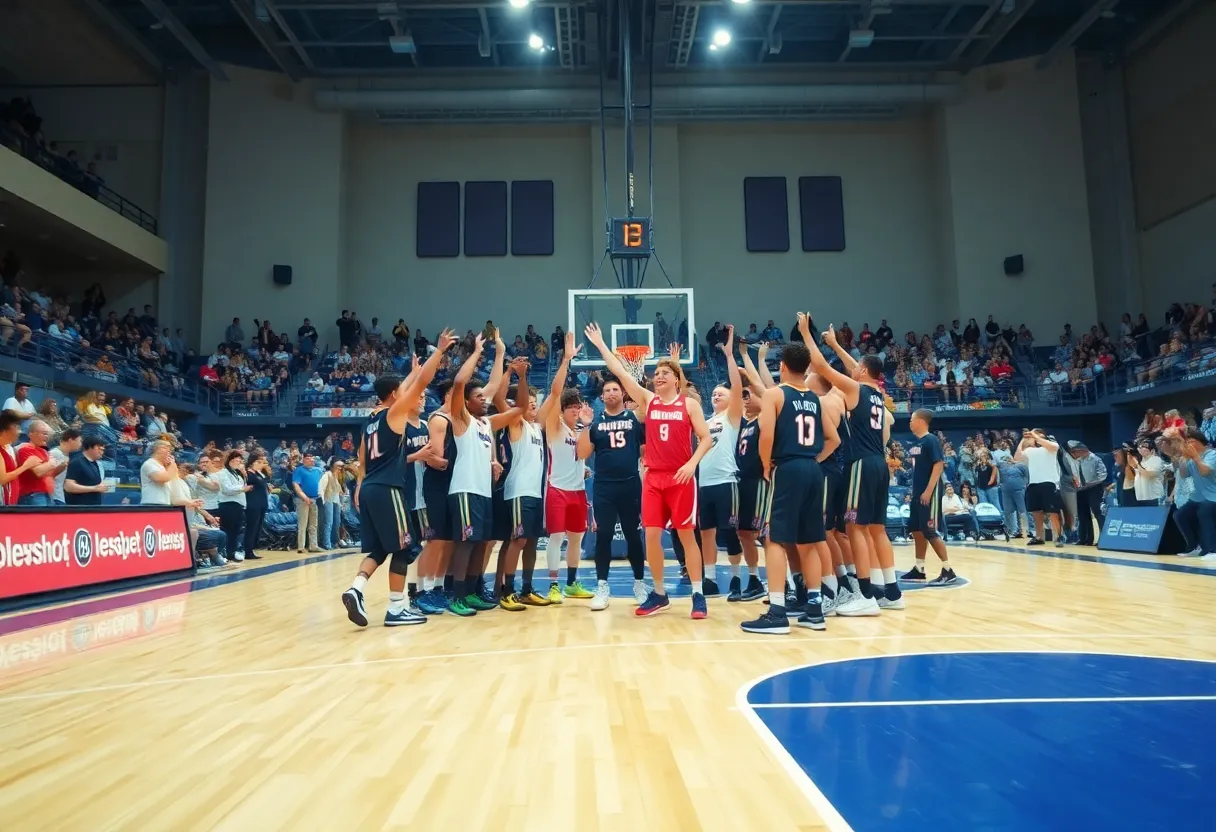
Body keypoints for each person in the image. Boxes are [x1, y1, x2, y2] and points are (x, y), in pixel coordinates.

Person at [585, 322, 713, 618]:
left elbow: (706, 438)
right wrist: (602, 345)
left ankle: (698, 593)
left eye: (664, 373)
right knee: (651, 536)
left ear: (676, 380)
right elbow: (618, 371)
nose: (658, 377)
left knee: (686, 536)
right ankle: (659, 593)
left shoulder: (689, 406)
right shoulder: (648, 400)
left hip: (681, 477)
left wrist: (692, 464)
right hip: (654, 478)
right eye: (656, 374)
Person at [341, 331, 453, 627]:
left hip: (369, 489)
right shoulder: (395, 413)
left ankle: (356, 588)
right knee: (405, 547)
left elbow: (363, 461)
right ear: (395, 395)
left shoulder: (369, 423)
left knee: (380, 548)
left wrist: (360, 487)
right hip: (389, 489)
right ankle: (396, 607)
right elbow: (422, 384)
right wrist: (438, 352)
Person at [740, 327, 839, 635]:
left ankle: (778, 611)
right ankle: (814, 609)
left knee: (774, 538)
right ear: (806, 367)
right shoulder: (815, 399)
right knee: (809, 540)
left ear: (782, 365)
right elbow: (832, 439)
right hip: (812, 469)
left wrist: (767, 465)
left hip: (787, 467)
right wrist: (814, 461)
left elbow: (766, 434)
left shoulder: (774, 394)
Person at [813, 323, 899, 615]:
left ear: (862, 371)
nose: (853, 369)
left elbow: (822, 367)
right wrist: (838, 345)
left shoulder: (855, 389)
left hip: (860, 463)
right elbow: (856, 369)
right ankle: (892, 591)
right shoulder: (877, 393)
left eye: (856, 367)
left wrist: (805, 334)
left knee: (855, 528)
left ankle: (865, 595)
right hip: (879, 463)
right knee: (877, 529)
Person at [443, 334, 521, 616]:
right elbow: (461, 383)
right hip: (464, 490)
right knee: (465, 544)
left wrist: (501, 355)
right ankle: (457, 596)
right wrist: (477, 351)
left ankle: (473, 591)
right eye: (479, 398)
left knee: (479, 543)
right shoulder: (461, 419)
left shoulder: (487, 423)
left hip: (483, 491)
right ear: (466, 403)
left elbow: (513, 406)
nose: (484, 400)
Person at [580, 374, 649, 609]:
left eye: (615, 390)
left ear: (622, 394)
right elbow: (581, 453)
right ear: (602, 396)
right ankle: (602, 586)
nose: (611, 393)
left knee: (633, 536)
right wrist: (586, 425)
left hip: (630, 485)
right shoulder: (596, 422)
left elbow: (644, 448)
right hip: (604, 487)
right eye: (607, 390)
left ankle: (639, 583)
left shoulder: (633, 418)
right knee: (604, 536)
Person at [491, 357, 551, 609]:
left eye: (537, 404)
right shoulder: (516, 422)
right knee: (518, 540)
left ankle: (527, 588)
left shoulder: (538, 428)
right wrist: (520, 376)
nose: (534, 407)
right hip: (518, 491)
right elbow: (497, 399)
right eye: (531, 403)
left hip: (536, 494)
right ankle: (507, 591)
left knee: (532, 541)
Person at [541, 331, 594, 603]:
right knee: (556, 538)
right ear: (562, 411)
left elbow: (583, 455)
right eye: (570, 408)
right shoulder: (554, 426)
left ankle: (572, 583)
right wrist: (566, 361)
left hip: (578, 490)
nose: (575, 411)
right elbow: (555, 391)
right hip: (557, 489)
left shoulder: (581, 430)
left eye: (578, 407)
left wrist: (582, 469)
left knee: (576, 539)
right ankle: (552, 585)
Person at [697, 326, 745, 601]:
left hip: (727, 480)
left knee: (730, 531)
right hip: (705, 483)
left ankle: (737, 578)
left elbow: (736, 386)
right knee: (706, 533)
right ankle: (710, 580)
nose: (716, 396)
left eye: (720, 394)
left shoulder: (732, 417)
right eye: (714, 394)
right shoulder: (706, 422)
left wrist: (729, 355)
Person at [729, 346, 773, 602]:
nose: (745, 398)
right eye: (742, 395)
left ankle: (780, 581)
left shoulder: (767, 417)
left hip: (760, 481)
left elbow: (766, 389)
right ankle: (755, 579)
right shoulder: (744, 422)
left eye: (749, 394)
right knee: (743, 533)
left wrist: (752, 360)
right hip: (742, 481)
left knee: (764, 533)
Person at [900, 409, 958, 584]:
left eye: (912, 420)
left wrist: (928, 490)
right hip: (917, 493)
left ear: (921, 421)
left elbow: (939, 465)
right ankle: (919, 568)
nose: (909, 423)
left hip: (929, 493)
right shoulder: (917, 442)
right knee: (916, 530)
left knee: (929, 530)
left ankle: (948, 570)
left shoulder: (931, 440)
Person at [1170, 427, 1216, 559]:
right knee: (1180, 515)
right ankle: (1195, 546)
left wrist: (1195, 457)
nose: (1188, 445)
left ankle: (1212, 550)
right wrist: (1184, 458)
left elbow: (1204, 472)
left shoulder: (1212, 454)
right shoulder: (1190, 459)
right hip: (1198, 497)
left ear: (1199, 442)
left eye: (1190, 441)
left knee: (1204, 511)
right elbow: (1184, 475)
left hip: (1213, 497)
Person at [1015, 429, 1064, 546]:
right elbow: (1017, 457)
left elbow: (1051, 446)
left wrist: (1035, 436)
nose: (1035, 438)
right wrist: (1023, 439)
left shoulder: (1052, 447)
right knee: (1036, 513)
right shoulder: (1030, 451)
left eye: (1039, 436)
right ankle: (1039, 537)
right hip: (1034, 484)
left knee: (1053, 512)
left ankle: (1058, 537)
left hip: (1049, 483)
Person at [16, 420, 67, 507]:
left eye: (47, 434)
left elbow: (49, 474)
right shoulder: (25, 450)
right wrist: (51, 463)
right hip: (33, 495)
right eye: (44, 433)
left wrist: (60, 468)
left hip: (47, 494)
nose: (46, 437)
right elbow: (38, 472)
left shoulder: (44, 451)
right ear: (31, 434)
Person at [1068, 441, 1107, 546]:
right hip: (1081, 490)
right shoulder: (1078, 461)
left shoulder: (1096, 459)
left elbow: (1103, 475)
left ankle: (1103, 538)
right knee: (1082, 514)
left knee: (1097, 512)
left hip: (1094, 489)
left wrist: (1090, 484)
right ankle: (1085, 538)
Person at [217, 451, 253, 561]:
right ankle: (225, 553)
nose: (240, 463)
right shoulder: (223, 473)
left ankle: (232, 553)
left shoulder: (237, 474)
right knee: (228, 531)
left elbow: (242, 486)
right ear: (231, 460)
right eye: (238, 460)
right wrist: (242, 489)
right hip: (228, 505)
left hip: (238, 505)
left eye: (241, 461)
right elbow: (227, 489)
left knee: (236, 531)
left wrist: (244, 475)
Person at [0, 410, 38, 505]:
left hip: (12, 499)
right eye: (16, 427)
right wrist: (26, 466)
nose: (19, 431)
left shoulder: (9, 448)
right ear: (5, 431)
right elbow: (3, 479)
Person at [64, 436, 109, 506]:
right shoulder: (77, 462)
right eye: (100, 449)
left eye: (103, 450)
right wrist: (94, 488)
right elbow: (68, 486)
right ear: (91, 447)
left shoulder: (94, 463)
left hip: (93, 507)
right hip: (80, 508)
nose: (102, 452)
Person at [292, 452, 323, 553]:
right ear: (303, 460)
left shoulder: (318, 470)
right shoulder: (299, 470)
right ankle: (301, 546)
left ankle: (313, 545)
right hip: (303, 500)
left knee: (313, 524)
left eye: (312, 458)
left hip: (315, 499)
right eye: (309, 459)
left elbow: (322, 483)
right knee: (303, 523)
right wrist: (304, 497)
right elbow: (296, 485)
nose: (311, 460)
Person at [244, 454, 272, 557]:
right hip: (253, 503)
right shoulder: (248, 474)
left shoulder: (259, 473)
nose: (261, 464)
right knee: (251, 527)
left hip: (262, 503)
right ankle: (247, 550)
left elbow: (265, 481)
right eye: (258, 462)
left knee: (258, 527)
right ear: (252, 462)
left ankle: (252, 547)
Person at [47, 428, 82, 506]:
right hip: (54, 497)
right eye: (79, 441)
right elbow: (47, 475)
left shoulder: (69, 456)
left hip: (61, 497)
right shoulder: (54, 453)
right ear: (70, 440)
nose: (81, 444)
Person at [318, 459, 345, 550]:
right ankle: (327, 543)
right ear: (333, 466)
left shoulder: (337, 476)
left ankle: (334, 542)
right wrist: (322, 500)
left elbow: (338, 491)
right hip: (328, 500)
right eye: (338, 466)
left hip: (336, 502)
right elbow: (321, 488)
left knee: (336, 523)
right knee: (328, 522)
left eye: (341, 467)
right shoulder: (327, 475)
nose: (340, 468)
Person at [140, 440, 177, 505]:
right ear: (156, 449)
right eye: (165, 447)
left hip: (164, 503)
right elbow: (161, 479)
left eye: (170, 448)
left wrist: (169, 466)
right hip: (152, 503)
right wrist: (172, 464)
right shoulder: (149, 463)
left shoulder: (163, 467)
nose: (169, 450)